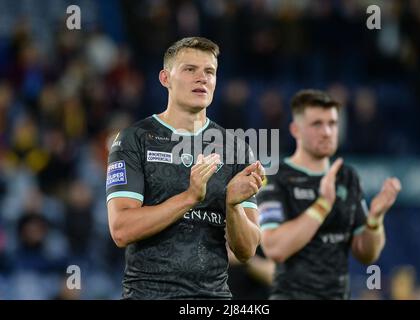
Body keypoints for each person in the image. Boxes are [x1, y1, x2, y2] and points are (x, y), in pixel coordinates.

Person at [105, 37, 264, 299]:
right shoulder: (134, 139)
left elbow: (246, 251)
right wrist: (189, 198)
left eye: (209, 72)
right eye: (190, 69)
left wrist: (233, 206)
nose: (201, 78)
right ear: (165, 78)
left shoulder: (236, 148)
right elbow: (121, 230)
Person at [257, 89, 401, 299]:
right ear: (295, 130)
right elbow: (275, 248)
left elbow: (367, 254)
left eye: (332, 123)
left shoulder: (347, 177)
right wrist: (323, 205)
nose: (327, 132)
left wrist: (375, 220)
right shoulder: (278, 178)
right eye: (317, 124)